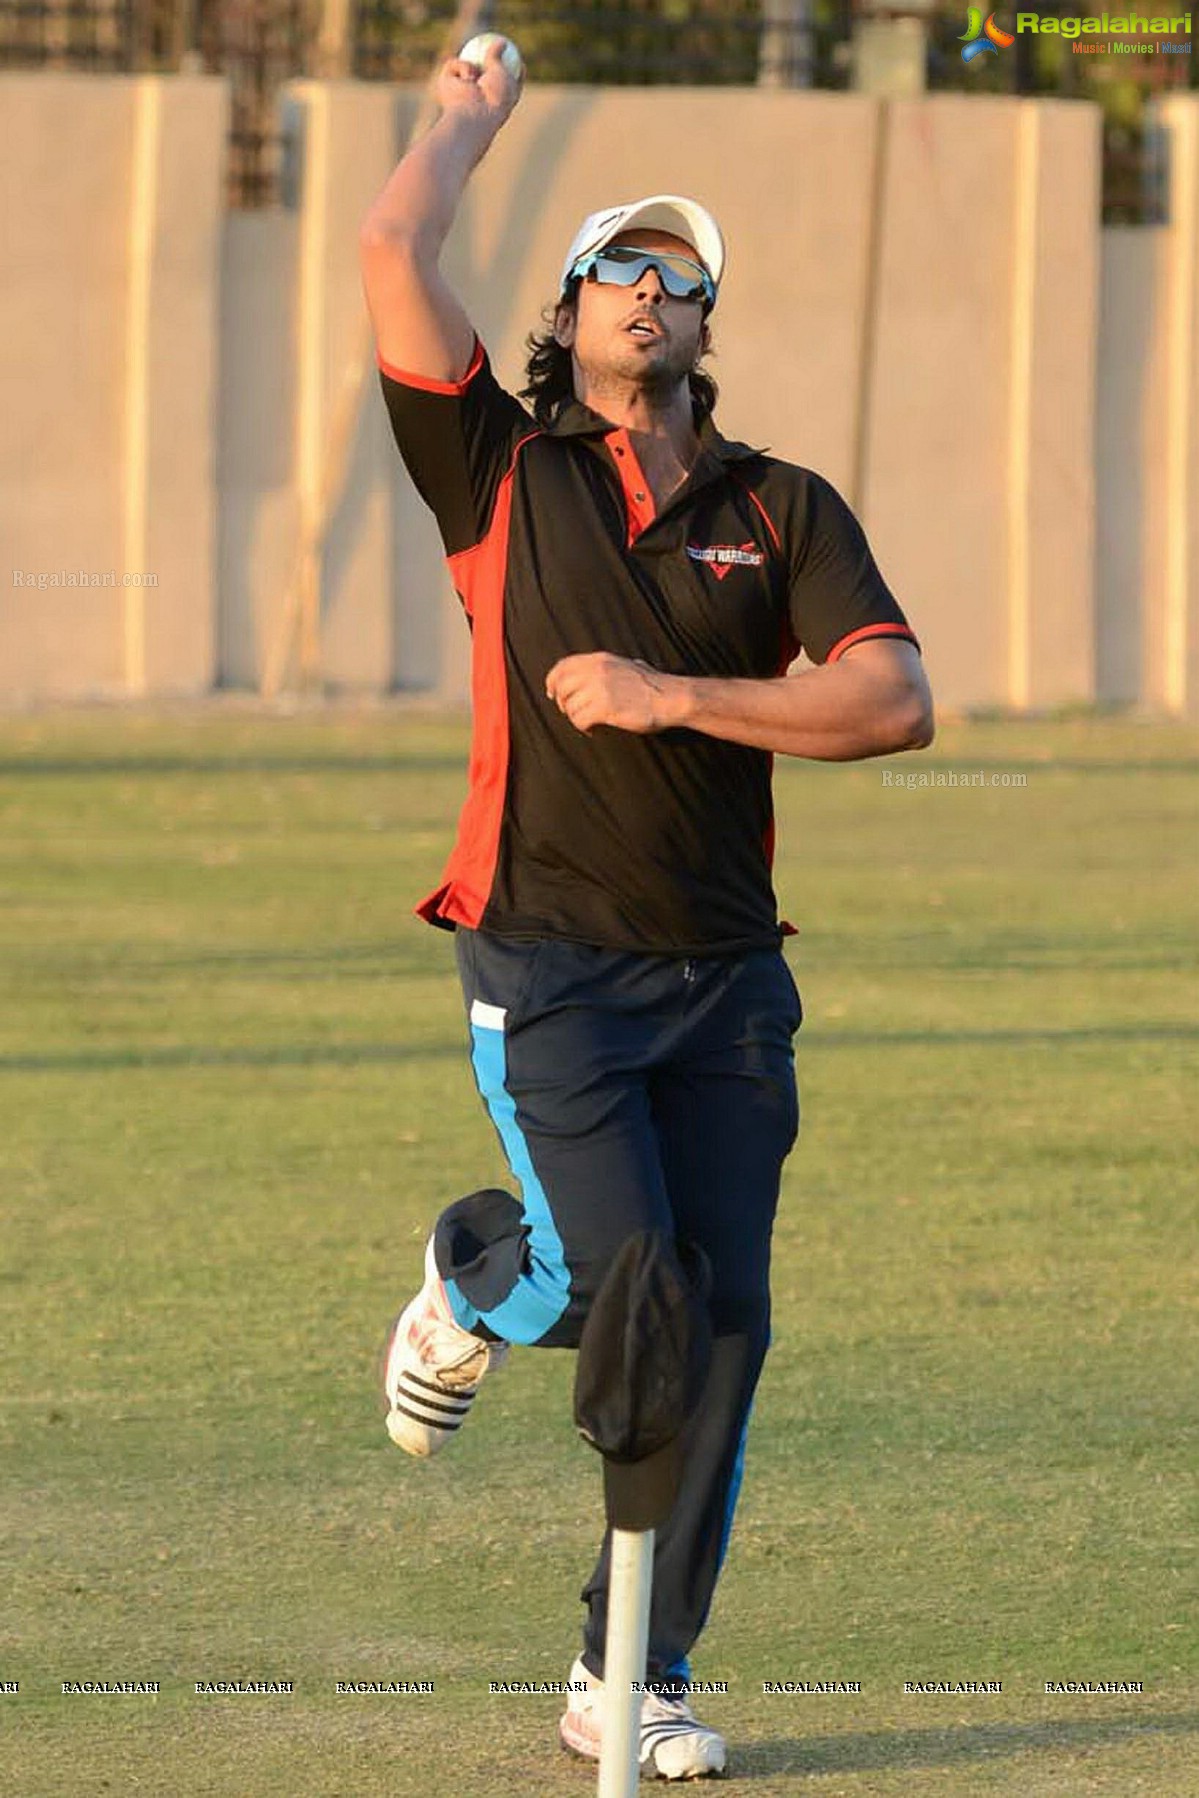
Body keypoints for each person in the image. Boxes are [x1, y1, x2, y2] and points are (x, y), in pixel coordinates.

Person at [360, 42, 933, 1783]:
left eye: (681, 274)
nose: (652, 289)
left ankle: (635, 1675)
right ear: (574, 307)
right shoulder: (500, 474)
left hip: (730, 985)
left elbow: (893, 703)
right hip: (549, 968)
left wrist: (676, 697)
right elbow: (393, 250)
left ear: (704, 325)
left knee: (723, 1325)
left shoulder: (782, 507)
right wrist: (469, 110)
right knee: (636, 1290)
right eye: (622, 262)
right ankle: (477, 1270)